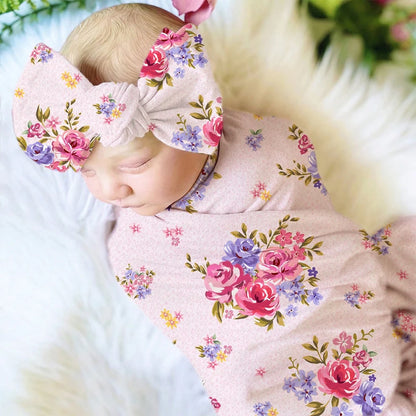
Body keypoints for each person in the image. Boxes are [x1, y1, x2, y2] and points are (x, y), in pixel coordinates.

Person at [12, 3, 416, 415]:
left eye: (133, 165)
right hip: (255, 374)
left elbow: (324, 241)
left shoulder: (268, 148)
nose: (110, 190)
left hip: (339, 317)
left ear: (195, 114)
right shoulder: (135, 242)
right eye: (87, 171)